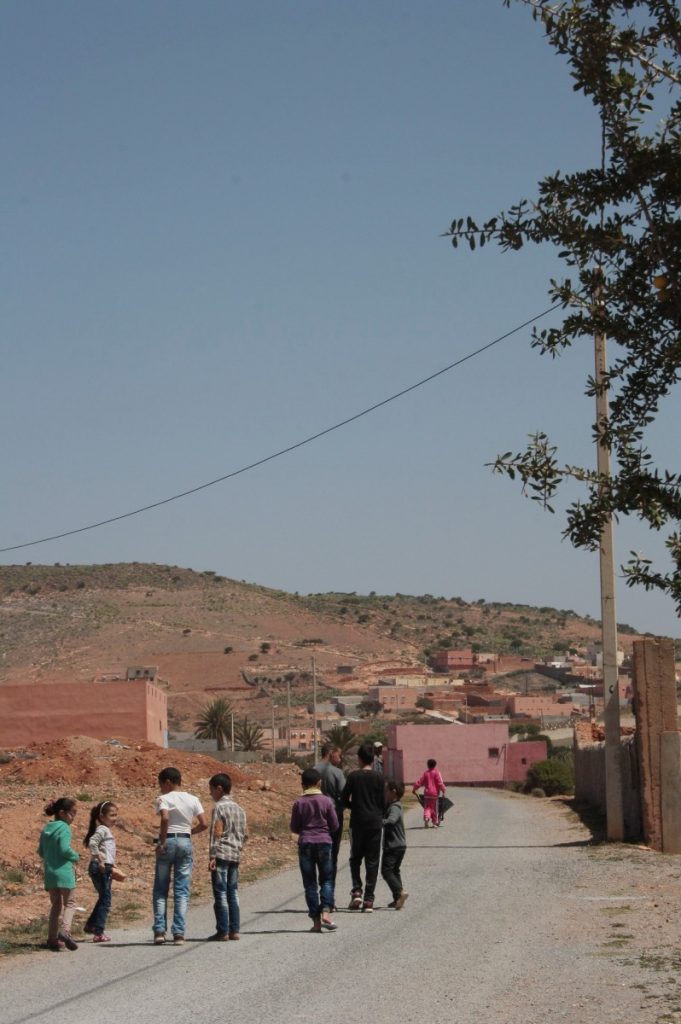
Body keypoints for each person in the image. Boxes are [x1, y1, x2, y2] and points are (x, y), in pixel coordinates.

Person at [152, 766, 208, 945]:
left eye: (161, 784)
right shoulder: (193, 799)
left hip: (168, 841)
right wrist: (190, 832)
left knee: (161, 888)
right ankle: (179, 933)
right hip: (185, 841)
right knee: (181, 890)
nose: (160, 788)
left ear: (167, 782)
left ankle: (160, 931)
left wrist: (161, 842)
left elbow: (165, 818)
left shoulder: (163, 798)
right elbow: (204, 823)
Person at [290, 767, 339, 932]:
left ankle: (316, 922)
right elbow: (335, 825)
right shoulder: (327, 801)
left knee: (310, 884)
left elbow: (294, 827)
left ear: (302, 785)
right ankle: (326, 910)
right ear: (319, 783)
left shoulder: (299, 802)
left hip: (305, 844)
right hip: (324, 843)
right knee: (326, 879)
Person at [342, 743, 385, 912]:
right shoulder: (380, 778)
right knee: (372, 860)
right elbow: (383, 802)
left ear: (359, 759)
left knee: (355, 858)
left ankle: (357, 890)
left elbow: (343, 798)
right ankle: (369, 899)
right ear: (373, 759)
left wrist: (355, 806)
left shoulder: (353, 777)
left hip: (357, 822)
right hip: (375, 822)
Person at [207, 772, 247, 941]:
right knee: (233, 893)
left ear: (219, 789)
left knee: (221, 893)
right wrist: (237, 847)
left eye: (211, 790)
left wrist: (212, 856)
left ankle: (222, 930)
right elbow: (245, 835)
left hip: (221, 854)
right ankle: (235, 930)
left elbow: (216, 833)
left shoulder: (219, 808)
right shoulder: (240, 809)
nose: (210, 794)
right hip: (235, 856)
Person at [38, 796, 80, 952]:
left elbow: (41, 852)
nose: (74, 817)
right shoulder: (64, 828)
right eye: (73, 813)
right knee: (70, 903)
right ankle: (65, 931)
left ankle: (52, 938)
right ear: (62, 813)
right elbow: (64, 849)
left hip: (50, 874)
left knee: (56, 906)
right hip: (64, 873)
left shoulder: (46, 829)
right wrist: (75, 856)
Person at [314, 742, 345, 910]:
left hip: (315, 821)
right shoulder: (337, 773)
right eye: (338, 755)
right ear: (331, 753)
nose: (339, 759)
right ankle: (329, 897)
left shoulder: (312, 771)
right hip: (333, 819)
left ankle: (320, 897)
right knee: (332, 856)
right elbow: (344, 794)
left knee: (318, 858)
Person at [83, 799, 118, 942]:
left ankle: (91, 925)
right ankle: (99, 932)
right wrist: (101, 861)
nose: (115, 818)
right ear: (102, 817)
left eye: (116, 815)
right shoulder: (102, 829)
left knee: (103, 897)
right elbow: (92, 843)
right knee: (106, 900)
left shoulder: (105, 830)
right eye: (112, 815)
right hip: (101, 868)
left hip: (103, 867)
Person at [381, 780, 408, 910]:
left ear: (394, 792)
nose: (385, 793)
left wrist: (379, 822)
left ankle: (400, 893)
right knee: (394, 871)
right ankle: (398, 899)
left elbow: (391, 821)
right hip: (399, 845)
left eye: (387, 791)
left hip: (393, 845)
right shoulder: (393, 805)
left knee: (386, 871)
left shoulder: (395, 807)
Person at [413, 758, 446, 828]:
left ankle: (426, 818)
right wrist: (443, 790)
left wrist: (414, 789)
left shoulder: (426, 773)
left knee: (427, 808)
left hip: (427, 795)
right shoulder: (437, 773)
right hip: (434, 795)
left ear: (428, 765)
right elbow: (440, 783)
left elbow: (420, 782)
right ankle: (434, 823)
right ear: (435, 765)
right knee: (434, 809)